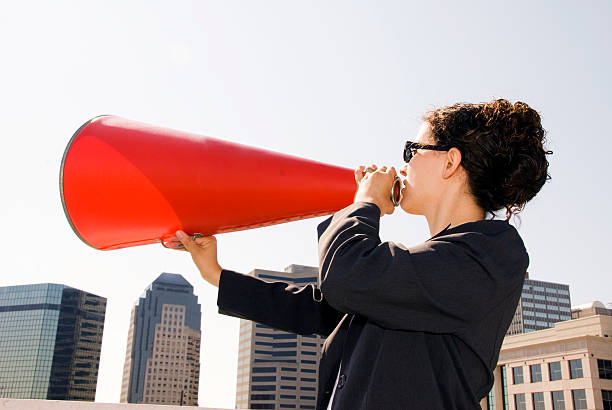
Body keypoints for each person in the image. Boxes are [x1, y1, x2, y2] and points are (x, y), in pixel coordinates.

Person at [164, 98, 552, 409]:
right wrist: (216, 273)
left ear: (450, 162)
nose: (404, 163)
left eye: (413, 149)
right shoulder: (433, 266)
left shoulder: (491, 253)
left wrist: (364, 204)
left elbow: (348, 276)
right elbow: (324, 305)